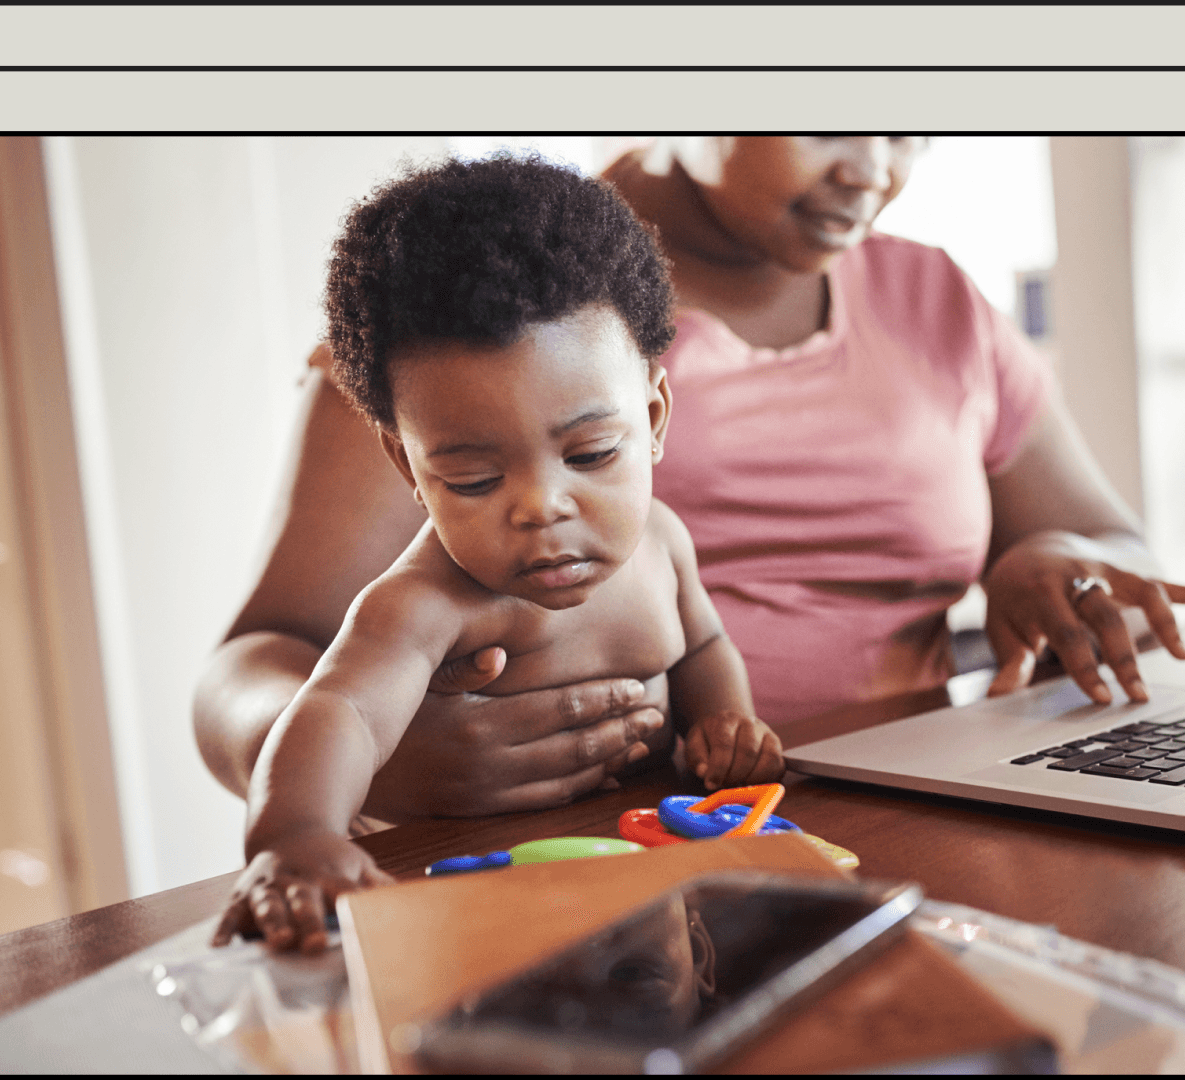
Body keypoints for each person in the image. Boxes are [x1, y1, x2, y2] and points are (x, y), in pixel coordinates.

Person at [193, 137, 1185, 826]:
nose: (873, 169)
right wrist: (375, 763)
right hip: (607, 845)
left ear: (651, 416)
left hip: (907, 817)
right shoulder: (473, 320)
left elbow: (1114, 547)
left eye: (911, 124)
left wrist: (1057, 562)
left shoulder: (939, 299)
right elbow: (248, 666)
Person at [212, 156, 783, 953]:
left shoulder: (661, 544)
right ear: (410, 468)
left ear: (653, 417)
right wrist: (295, 833)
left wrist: (726, 724)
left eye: (590, 455)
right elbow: (340, 712)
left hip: (646, 891)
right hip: (485, 914)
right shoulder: (423, 604)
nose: (540, 506)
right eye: (474, 479)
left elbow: (704, 646)